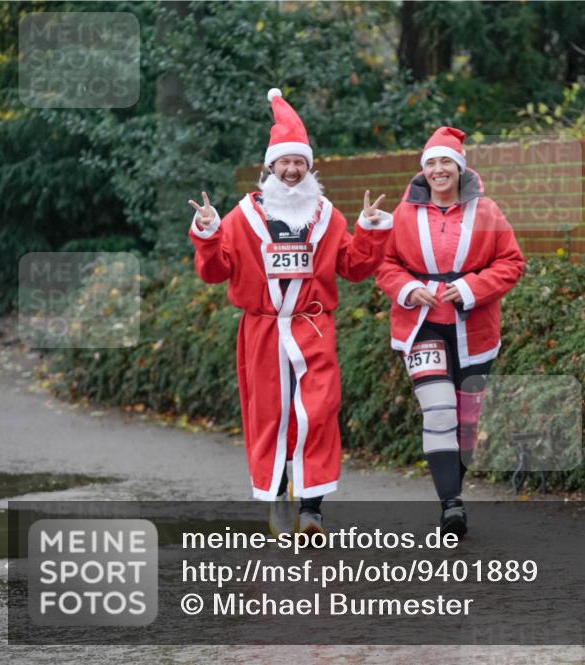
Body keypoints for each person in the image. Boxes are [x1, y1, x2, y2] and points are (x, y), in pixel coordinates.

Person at [187, 88, 393, 534]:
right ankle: (277, 498)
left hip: (312, 327)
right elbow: (215, 270)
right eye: (285, 162)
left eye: (300, 161)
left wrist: (370, 230)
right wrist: (208, 232)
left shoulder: (327, 215)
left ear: (309, 166)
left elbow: (353, 266)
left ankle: (312, 509)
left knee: (318, 411)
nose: (293, 170)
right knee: (271, 417)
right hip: (262, 331)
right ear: (270, 167)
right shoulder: (242, 217)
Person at [376, 127, 525, 538]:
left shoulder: (487, 211)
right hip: (421, 325)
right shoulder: (404, 213)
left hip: (475, 330)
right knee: (439, 411)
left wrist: (474, 287)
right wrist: (408, 288)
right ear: (423, 170)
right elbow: (384, 263)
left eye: (446, 162)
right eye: (431, 163)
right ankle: (451, 505)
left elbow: (512, 262)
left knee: (465, 423)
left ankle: (452, 492)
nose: (439, 170)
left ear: (460, 168)